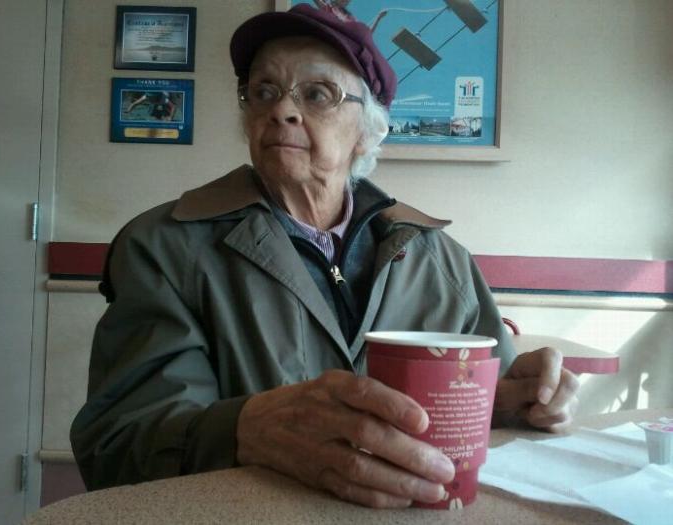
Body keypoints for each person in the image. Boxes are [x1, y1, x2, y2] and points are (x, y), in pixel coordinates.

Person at [70, 4, 578, 509]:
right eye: (263, 91)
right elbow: (117, 446)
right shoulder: (165, 247)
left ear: (368, 131)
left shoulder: (440, 261)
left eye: (317, 94)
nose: (281, 110)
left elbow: (490, 402)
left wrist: (524, 401)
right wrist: (247, 430)